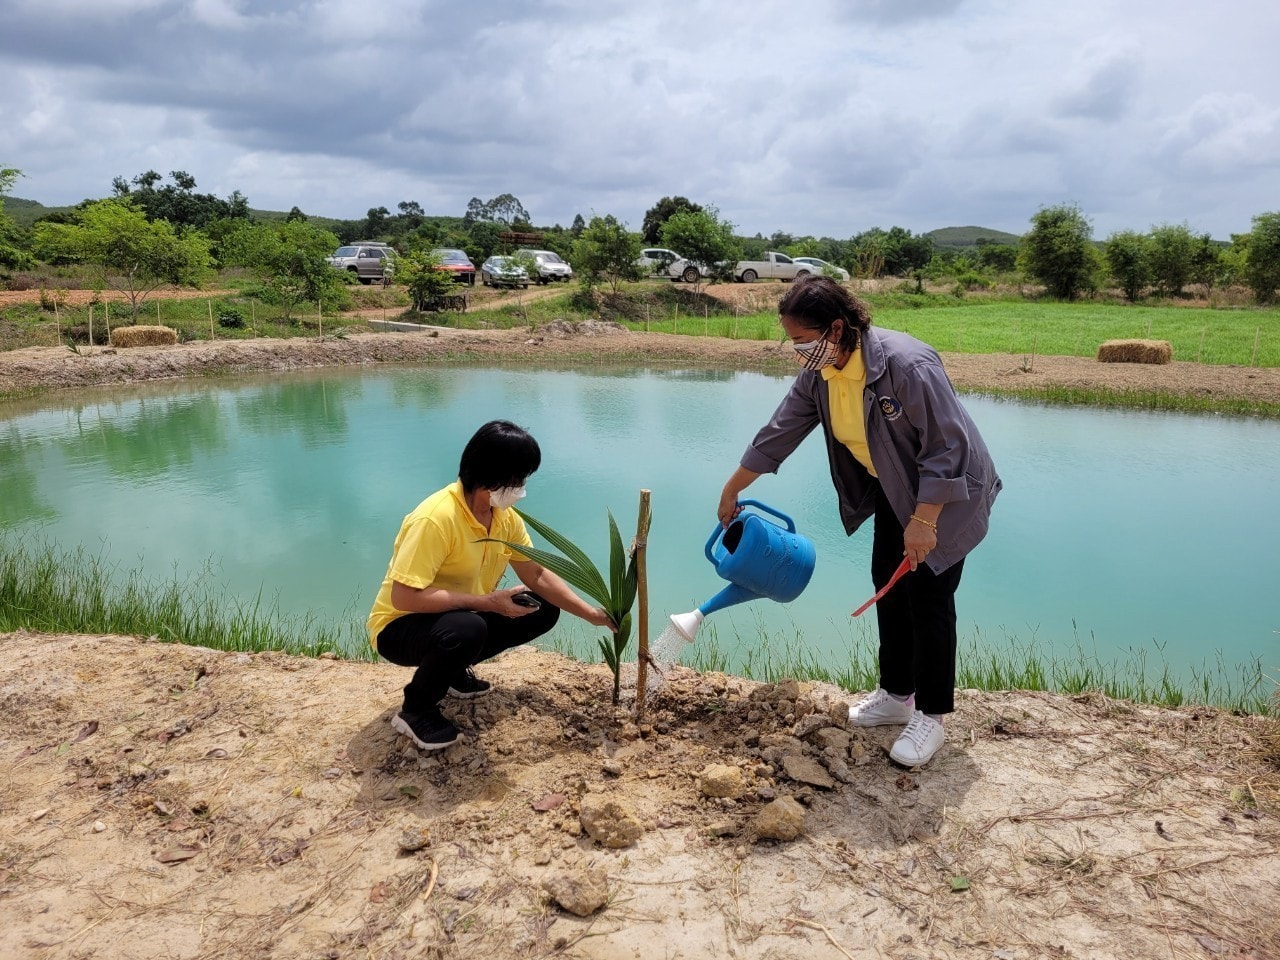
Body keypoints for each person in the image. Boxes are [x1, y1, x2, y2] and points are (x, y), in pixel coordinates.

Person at [717, 276, 1001, 768]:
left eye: (804, 341)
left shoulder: (907, 366)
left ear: (838, 327)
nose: (799, 352)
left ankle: (932, 716)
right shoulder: (821, 373)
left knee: (929, 596)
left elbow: (946, 449)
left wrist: (925, 520)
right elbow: (779, 431)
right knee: (887, 584)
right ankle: (896, 695)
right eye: (793, 343)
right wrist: (734, 487)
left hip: (949, 494)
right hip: (897, 489)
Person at [367, 419, 613, 751]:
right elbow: (404, 596)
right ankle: (415, 710)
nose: (522, 487)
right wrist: (487, 603)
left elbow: (535, 574)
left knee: (541, 608)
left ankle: (451, 672)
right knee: (467, 628)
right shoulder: (436, 519)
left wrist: (590, 613)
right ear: (492, 476)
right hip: (399, 627)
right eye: (519, 478)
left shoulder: (503, 518)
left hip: (457, 615)